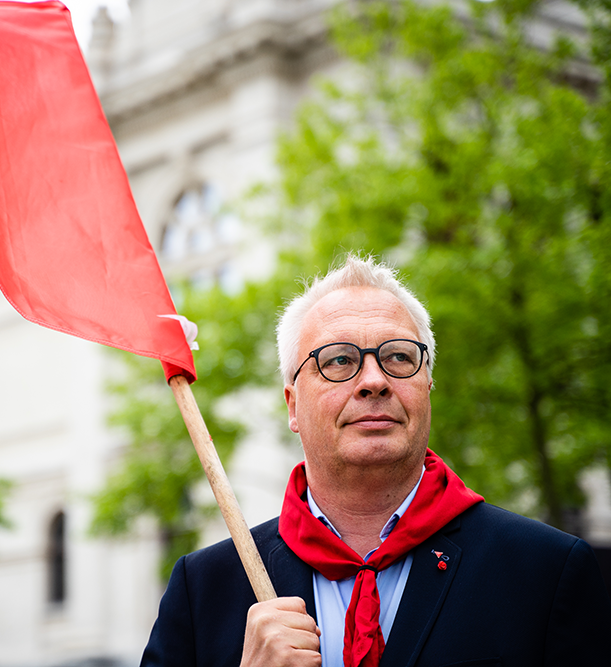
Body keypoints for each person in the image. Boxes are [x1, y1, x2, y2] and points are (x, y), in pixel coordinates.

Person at [140, 254, 611, 667]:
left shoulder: (546, 574)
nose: (374, 381)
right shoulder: (203, 590)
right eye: (339, 361)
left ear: (428, 386)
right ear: (292, 406)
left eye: (399, 357)